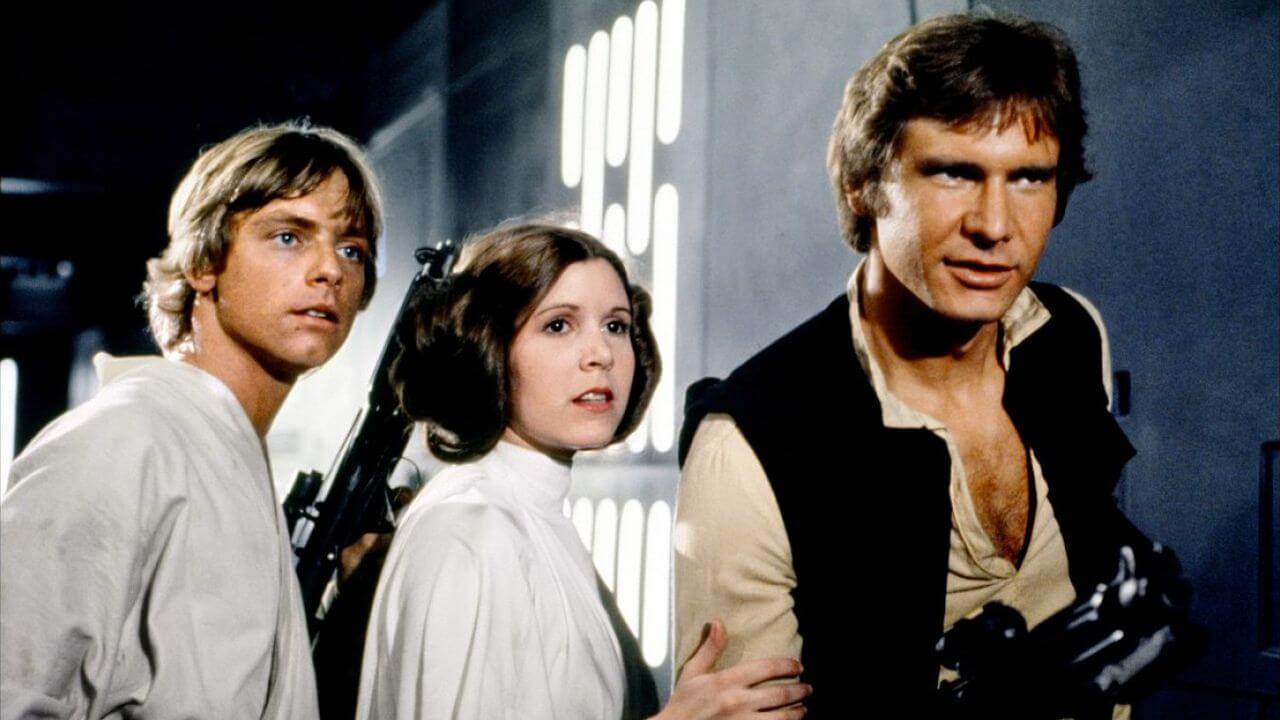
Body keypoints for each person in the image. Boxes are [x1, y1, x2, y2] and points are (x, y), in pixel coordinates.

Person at [674, 13, 1153, 717]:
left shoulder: (1068, 334)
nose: (994, 226)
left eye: (1028, 178)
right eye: (954, 173)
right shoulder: (747, 445)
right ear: (862, 185)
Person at [0, 121, 383, 719]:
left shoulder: (229, 456)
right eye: (288, 237)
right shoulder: (125, 439)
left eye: (351, 249)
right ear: (204, 262)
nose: (330, 269)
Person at [356, 223, 812, 719]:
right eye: (558, 325)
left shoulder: (529, 517)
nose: (601, 355)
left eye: (616, 326)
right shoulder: (469, 526)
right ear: (488, 346)